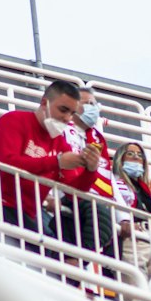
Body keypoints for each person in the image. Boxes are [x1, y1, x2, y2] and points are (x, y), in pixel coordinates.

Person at [0, 79, 100, 236]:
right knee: (45, 253)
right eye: (63, 110)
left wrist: (90, 170)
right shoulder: (13, 120)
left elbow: (73, 192)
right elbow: (8, 163)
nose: (68, 118)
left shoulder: (60, 143)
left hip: (24, 213)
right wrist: (57, 162)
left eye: (72, 113)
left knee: (51, 253)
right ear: (44, 103)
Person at [57, 87, 117, 259]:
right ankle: (79, 259)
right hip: (67, 196)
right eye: (87, 103)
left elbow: (108, 179)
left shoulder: (98, 139)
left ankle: (82, 260)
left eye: (94, 104)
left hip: (94, 201)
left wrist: (124, 218)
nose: (92, 107)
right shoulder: (61, 129)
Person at [111, 142, 151, 278]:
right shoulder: (113, 182)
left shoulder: (147, 190)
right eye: (130, 154)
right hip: (133, 236)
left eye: (139, 155)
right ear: (120, 159)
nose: (136, 158)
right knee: (135, 283)